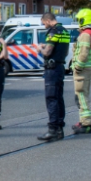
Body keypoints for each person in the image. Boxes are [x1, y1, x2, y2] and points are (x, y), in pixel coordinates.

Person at [37, 12, 71, 141]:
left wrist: (40, 48)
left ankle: (52, 129)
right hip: (60, 67)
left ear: (48, 20)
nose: (44, 25)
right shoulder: (65, 31)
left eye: (43, 23)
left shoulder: (53, 32)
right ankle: (59, 129)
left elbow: (48, 51)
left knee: (51, 98)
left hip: (52, 69)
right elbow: (63, 49)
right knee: (59, 98)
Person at [71, 9, 91, 135]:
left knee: (81, 95)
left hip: (82, 69)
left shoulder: (85, 34)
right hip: (88, 68)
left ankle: (86, 123)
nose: (78, 22)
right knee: (83, 95)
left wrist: (77, 66)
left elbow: (83, 53)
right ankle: (83, 121)